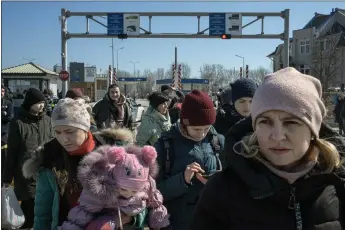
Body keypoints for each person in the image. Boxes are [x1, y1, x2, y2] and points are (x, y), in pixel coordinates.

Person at [190, 67, 345, 230]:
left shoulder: (338, 183)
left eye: (291, 122)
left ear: (313, 130)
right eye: (265, 122)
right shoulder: (222, 190)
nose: (278, 136)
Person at [22, 98, 147, 230]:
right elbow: (43, 213)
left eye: (70, 132)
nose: (64, 139)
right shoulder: (50, 158)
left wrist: (125, 219)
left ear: (85, 128)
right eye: (58, 132)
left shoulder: (117, 153)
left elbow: (145, 199)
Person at [154, 89, 224, 230]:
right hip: (179, 222)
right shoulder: (165, 146)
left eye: (206, 128)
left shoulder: (217, 141)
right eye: (197, 129)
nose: (202, 134)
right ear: (184, 124)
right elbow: (154, 193)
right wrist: (183, 179)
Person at [60, 144, 170, 230]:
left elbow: (156, 201)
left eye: (134, 191)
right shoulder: (103, 190)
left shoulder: (146, 185)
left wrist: (157, 219)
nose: (128, 194)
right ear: (114, 181)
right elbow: (82, 213)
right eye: (123, 189)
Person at [3, 87, 54, 229]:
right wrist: (7, 178)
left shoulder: (48, 121)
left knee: (45, 211)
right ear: (30, 103)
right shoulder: (18, 123)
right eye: (38, 103)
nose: (42, 105)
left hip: (46, 173)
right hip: (25, 176)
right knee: (29, 212)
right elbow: (12, 152)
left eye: (43, 102)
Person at [1, 84, 14, 176]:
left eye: (2, 91)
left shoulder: (8, 103)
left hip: (3, 134)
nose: (2, 93)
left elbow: (10, 117)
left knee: (3, 157)